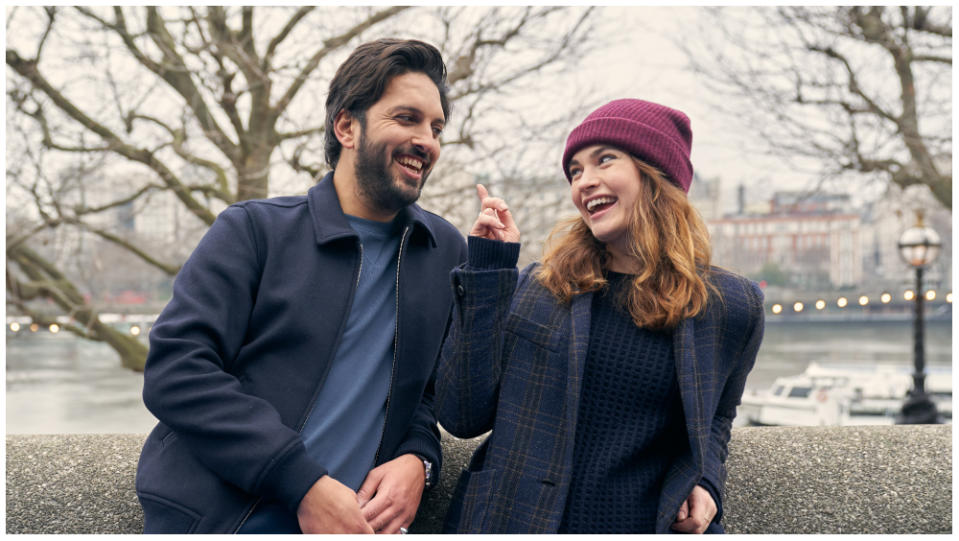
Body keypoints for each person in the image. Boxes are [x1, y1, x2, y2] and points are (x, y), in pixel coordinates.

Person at [135, 38, 467, 534]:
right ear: (346, 127)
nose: (428, 140)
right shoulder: (252, 230)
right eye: (406, 118)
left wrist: (419, 460)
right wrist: (302, 482)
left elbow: (427, 396)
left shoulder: (444, 251)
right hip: (222, 519)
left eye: (436, 126)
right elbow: (176, 370)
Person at [435, 99, 764, 534]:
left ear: (655, 173)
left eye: (604, 160)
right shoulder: (538, 289)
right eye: (575, 171)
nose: (584, 182)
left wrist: (706, 479)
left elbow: (718, 416)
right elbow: (461, 416)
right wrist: (488, 270)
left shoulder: (730, 306)